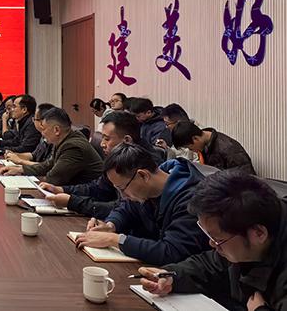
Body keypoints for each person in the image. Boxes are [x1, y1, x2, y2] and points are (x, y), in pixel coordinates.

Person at [137, 171, 287, 311]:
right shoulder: (244, 235)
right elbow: (210, 266)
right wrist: (171, 275)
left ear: (259, 233)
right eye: (209, 237)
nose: (211, 244)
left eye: (218, 239)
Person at [73, 143, 210, 265]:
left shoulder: (191, 199)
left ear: (143, 175)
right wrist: (110, 225)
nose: (123, 196)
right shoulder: (148, 190)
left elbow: (172, 252)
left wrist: (115, 240)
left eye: (122, 188)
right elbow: (126, 208)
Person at [39, 111, 162, 219]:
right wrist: (61, 189)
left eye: (107, 139)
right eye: (102, 138)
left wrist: (73, 202)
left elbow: (124, 208)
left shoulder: (145, 164)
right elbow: (98, 188)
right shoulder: (117, 158)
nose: (102, 144)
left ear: (127, 140)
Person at [0, 107, 103, 186]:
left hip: (85, 197)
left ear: (56, 130)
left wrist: (27, 179)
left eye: (44, 129)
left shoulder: (73, 146)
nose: (42, 133)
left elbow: (54, 178)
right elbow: (47, 165)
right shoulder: (64, 139)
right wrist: (20, 169)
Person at [171, 121, 256, 174]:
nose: (192, 151)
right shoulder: (206, 145)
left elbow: (246, 177)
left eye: (190, 148)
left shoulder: (228, 149)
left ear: (195, 138)